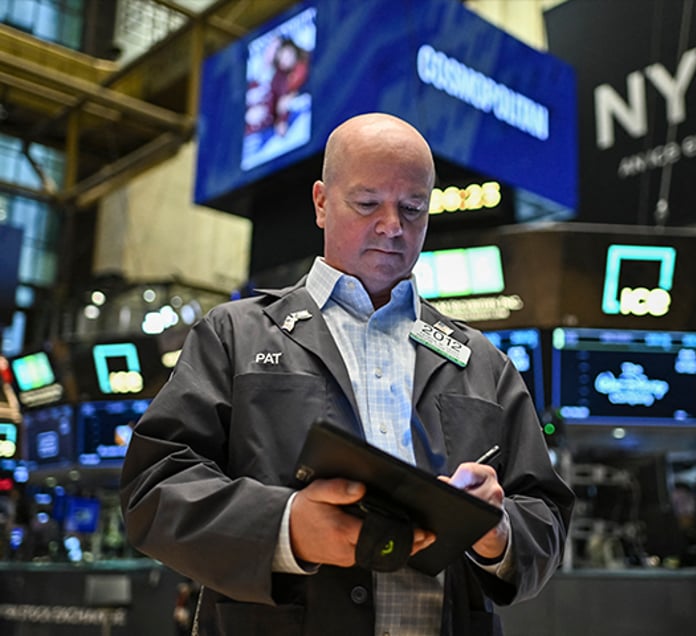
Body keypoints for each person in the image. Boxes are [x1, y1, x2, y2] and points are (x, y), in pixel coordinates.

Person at [120, 112, 574, 636]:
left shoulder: (481, 361)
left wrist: (497, 533)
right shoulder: (235, 336)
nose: (392, 226)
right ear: (320, 202)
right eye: (367, 203)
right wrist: (285, 527)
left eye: (412, 208)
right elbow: (153, 487)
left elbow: (545, 511)